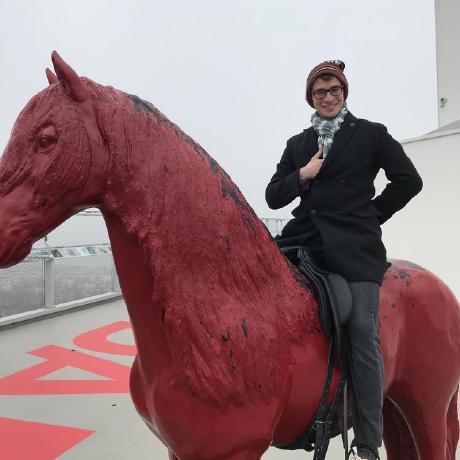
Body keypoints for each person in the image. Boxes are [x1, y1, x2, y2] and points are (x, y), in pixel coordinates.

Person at [265, 60, 423, 460]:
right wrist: (303, 174)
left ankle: (367, 439)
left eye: (334, 90)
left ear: (344, 93)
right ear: (311, 98)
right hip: (304, 240)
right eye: (320, 92)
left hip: (355, 247)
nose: (328, 97)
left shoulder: (370, 134)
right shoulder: (298, 145)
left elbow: (409, 181)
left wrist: (370, 215)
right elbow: (273, 196)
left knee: (361, 329)